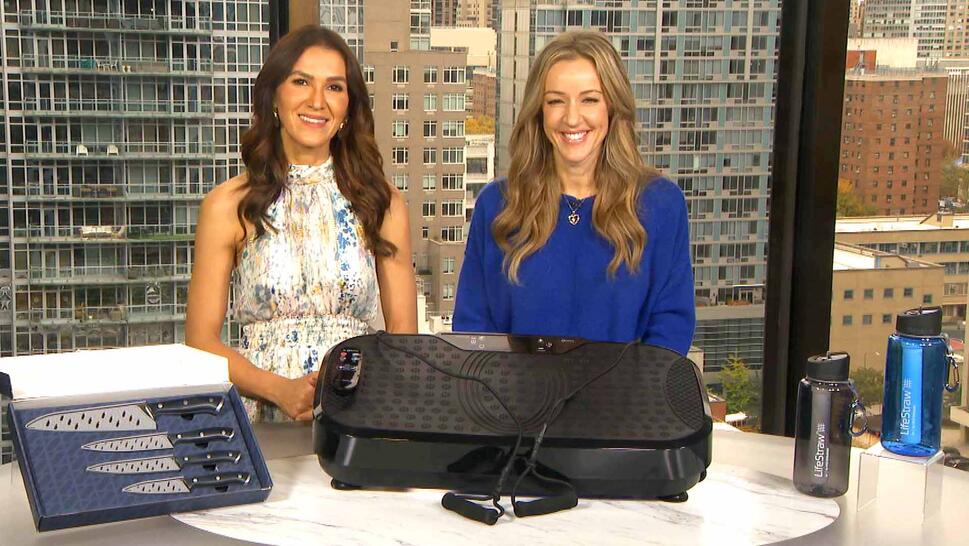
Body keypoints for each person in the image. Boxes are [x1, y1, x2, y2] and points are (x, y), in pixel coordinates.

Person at [185, 25, 417, 422]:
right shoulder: (228, 205)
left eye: (334, 87)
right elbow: (200, 343)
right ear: (275, 95)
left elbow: (404, 339)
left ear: (348, 105)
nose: (317, 101)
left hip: (357, 414)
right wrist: (280, 390)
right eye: (301, 82)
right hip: (262, 416)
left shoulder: (382, 203)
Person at [453, 30, 695, 355]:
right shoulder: (497, 205)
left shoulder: (661, 205)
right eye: (555, 101)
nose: (571, 117)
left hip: (623, 402)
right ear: (539, 111)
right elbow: (473, 332)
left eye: (589, 99)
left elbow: (670, 331)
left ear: (612, 107)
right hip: (514, 403)